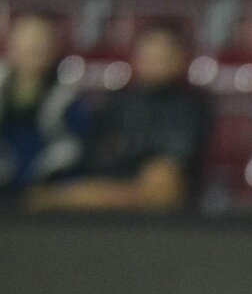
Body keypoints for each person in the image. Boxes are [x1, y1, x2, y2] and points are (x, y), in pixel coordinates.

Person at [27, 22, 209, 211]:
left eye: (163, 57)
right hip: (106, 198)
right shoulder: (119, 102)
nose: (155, 62)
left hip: (161, 214)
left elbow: (165, 179)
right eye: (150, 55)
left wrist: (89, 194)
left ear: (181, 59)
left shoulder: (191, 106)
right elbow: (93, 156)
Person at [0, 11, 89, 200]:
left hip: (50, 202)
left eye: (41, 40)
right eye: (27, 39)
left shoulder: (69, 101)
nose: (33, 46)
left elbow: (73, 152)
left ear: (54, 47)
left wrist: (44, 182)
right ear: (11, 45)